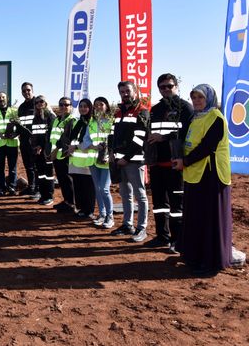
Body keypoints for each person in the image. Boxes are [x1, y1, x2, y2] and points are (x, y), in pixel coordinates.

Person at [172, 84, 233, 276]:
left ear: (209, 99)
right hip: (195, 173)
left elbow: (207, 147)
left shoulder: (216, 118)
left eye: (200, 97)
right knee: (195, 216)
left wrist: (186, 161)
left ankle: (210, 262)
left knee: (209, 218)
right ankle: (194, 256)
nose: (197, 101)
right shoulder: (196, 118)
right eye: (194, 98)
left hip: (211, 176)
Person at [146, 73, 194, 251]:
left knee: (177, 206)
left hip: (176, 166)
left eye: (170, 86)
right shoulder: (155, 110)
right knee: (159, 204)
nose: (166, 89)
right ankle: (162, 236)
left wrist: (163, 137)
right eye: (162, 86)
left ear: (176, 86)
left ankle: (178, 240)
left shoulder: (185, 109)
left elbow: (189, 135)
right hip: (157, 165)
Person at [109, 81, 150, 242]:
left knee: (140, 195)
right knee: (125, 194)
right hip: (119, 161)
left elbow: (140, 139)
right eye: (122, 91)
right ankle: (127, 225)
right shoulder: (118, 113)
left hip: (134, 161)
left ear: (135, 92)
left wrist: (126, 158)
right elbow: (112, 135)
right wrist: (112, 153)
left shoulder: (142, 111)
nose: (124, 94)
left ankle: (141, 228)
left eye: (127, 91)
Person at [83, 97, 114, 228]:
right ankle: (102, 214)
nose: (98, 107)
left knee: (104, 188)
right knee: (98, 188)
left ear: (106, 106)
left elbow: (114, 139)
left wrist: (108, 152)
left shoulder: (112, 121)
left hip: (106, 161)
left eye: (101, 104)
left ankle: (110, 216)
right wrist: (93, 147)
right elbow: (86, 139)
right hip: (93, 159)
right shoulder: (91, 122)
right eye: (96, 105)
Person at [66, 98, 96, 219]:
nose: (83, 108)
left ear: (90, 108)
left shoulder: (92, 122)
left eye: (85, 106)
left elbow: (89, 141)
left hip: (86, 160)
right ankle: (81, 209)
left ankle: (89, 210)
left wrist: (76, 146)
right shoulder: (78, 122)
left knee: (88, 187)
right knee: (78, 186)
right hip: (75, 160)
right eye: (81, 106)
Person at [0, 91, 19, 196]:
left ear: (7, 98)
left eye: (3, 97)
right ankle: (1, 188)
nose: (1, 99)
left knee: (13, 167)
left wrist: (16, 133)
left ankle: (12, 187)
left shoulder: (14, 111)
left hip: (12, 143)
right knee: (0, 168)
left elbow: (20, 126)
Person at [49, 97, 76, 213]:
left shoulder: (72, 120)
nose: (63, 107)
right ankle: (66, 201)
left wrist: (57, 150)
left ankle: (71, 203)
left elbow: (68, 139)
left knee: (68, 180)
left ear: (71, 106)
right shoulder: (57, 119)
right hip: (57, 155)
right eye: (61, 105)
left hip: (66, 155)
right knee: (62, 180)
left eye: (66, 105)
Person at [31, 95, 56, 205]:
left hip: (47, 150)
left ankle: (49, 196)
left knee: (48, 173)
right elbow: (34, 135)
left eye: (41, 101)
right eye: (37, 102)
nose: (39, 104)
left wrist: (42, 147)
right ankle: (43, 194)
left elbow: (50, 135)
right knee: (40, 173)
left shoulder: (50, 117)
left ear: (46, 103)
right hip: (38, 151)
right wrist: (36, 146)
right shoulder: (35, 118)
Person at [17, 82, 39, 198]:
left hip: (35, 142)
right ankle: (31, 187)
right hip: (24, 142)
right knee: (28, 165)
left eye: (28, 90)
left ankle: (38, 189)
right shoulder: (21, 107)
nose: (26, 92)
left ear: (32, 90)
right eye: (24, 91)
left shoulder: (38, 104)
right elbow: (20, 126)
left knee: (36, 166)